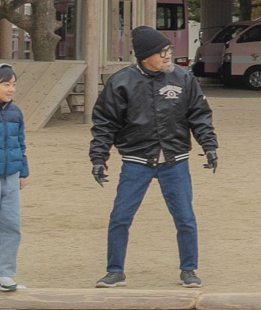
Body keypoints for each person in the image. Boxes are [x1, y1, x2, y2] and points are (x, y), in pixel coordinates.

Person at [89, 26, 218, 288]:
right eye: (163, 52)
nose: (169, 55)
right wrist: (98, 158)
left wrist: (209, 145)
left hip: (175, 160)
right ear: (146, 56)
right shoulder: (121, 81)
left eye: (169, 50)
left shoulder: (183, 79)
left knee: (185, 217)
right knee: (120, 217)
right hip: (137, 161)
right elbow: (105, 123)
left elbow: (200, 114)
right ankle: (115, 271)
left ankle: (189, 269)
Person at [0, 63, 26, 291]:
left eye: (13, 84)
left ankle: (3, 273)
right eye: (5, 84)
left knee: (11, 225)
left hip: (11, 177)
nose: (11, 89)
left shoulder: (16, 112)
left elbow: (20, 144)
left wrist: (22, 172)